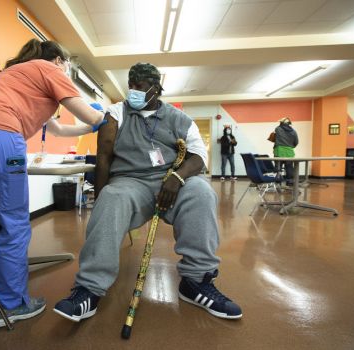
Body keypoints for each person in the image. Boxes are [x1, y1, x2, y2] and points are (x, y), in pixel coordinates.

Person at [0, 38, 105, 327]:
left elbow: (58, 128)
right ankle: (10, 305)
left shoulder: (14, 76)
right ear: (59, 61)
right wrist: (103, 118)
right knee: (14, 222)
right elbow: (86, 111)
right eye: (66, 65)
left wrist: (90, 125)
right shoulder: (48, 69)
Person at [53, 62, 242, 322]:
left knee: (201, 192)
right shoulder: (116, 113)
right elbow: (105, 157)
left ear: (156, 89)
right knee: (111, 197)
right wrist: (100, 198)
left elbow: (199, 156)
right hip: (130, 182)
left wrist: (177, 177)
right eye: (130, 85)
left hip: (172, 179)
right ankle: (89, 288)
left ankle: (196, 281)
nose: (133, 91)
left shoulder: (179, 119)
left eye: (139, 86)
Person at [273, 117, 299, 186]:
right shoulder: (294, 131)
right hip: (289, 151)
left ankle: (278, 181)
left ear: (281, 123)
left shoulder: (278, 129)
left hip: (279, 151)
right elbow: (296, 142)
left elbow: (275, 134)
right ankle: (289, 181)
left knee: (278, 166)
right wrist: (290, 146)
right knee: (289, 167)